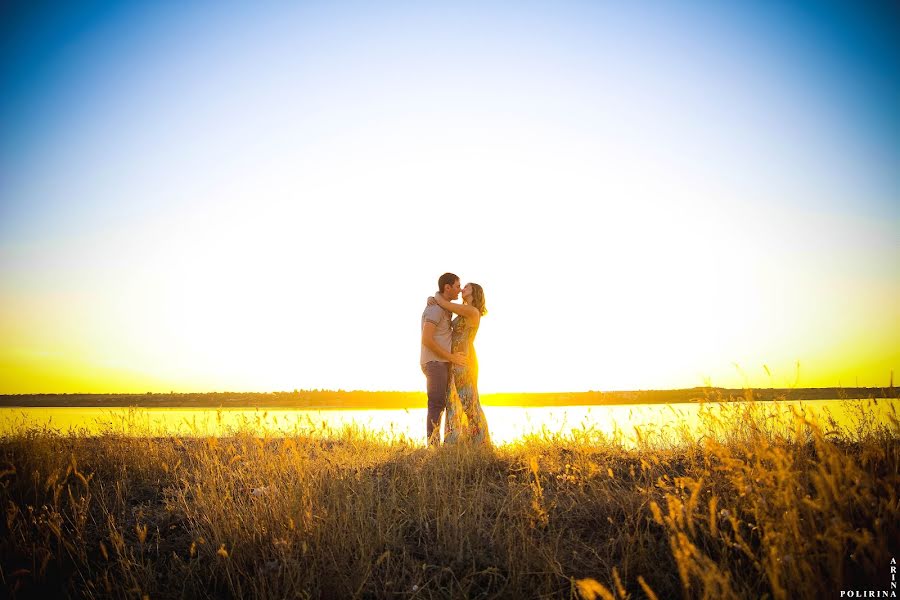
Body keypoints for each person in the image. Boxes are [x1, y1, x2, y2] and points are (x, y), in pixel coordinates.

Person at [428, 282, 489, 445]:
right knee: (453, 399)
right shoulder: (463, 310)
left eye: (466, 287)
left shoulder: (472, 311)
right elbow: (444, 306)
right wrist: (432, 299)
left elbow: (444, 303)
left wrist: (434, 295)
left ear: (475, 292)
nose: (462, 289)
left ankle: (480, 443)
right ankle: (456, 444)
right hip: (455, 360)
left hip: (465, 360)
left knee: (469, 401)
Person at [421, 273, 468, 446]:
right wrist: (451, 357)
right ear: (447, 287)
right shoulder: (435, 308)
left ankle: (443, 444)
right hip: (435, 362)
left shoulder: (443, 306)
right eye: (457, 286)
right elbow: (426, 339)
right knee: (436, 404)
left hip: (442, 362)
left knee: (441, 403)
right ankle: (433, 447)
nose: (460, 289)